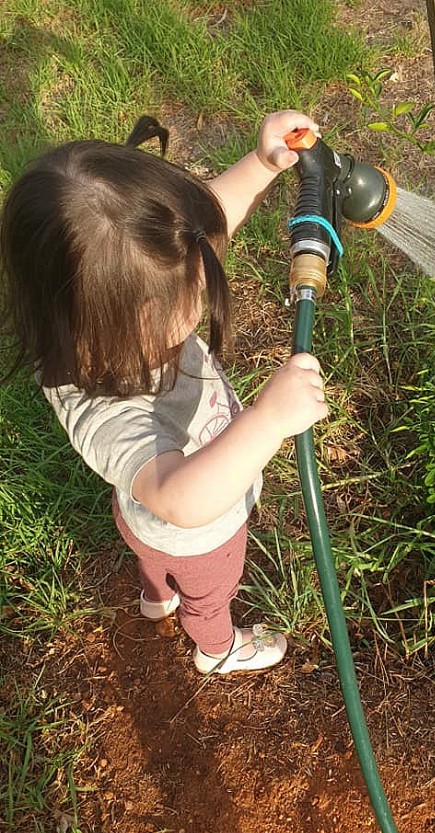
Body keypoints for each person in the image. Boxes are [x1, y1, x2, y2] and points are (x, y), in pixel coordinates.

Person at [0, 109, 328, 675]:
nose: (209, 282)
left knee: (152, 555)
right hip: (198, 536)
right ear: (136, 320)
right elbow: (181, 498)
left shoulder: (95, 329)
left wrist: (261, 163)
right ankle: (215, 647)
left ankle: (156, 596)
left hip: (140, 519)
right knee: (211, 592)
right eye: (196, 292)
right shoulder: (108, 412)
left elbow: (206, 225)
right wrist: (269, 420)